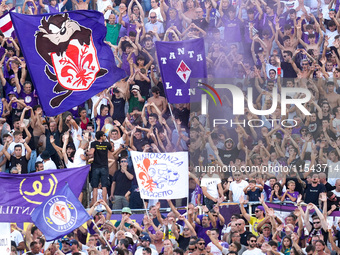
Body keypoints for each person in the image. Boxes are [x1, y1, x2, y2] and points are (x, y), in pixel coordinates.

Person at [88, 131, 114, 206]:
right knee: (104, 186)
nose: (105, 137)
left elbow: (91, 152)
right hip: (104, 167)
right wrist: (108, 140)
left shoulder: (93, 143)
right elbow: (112, 149)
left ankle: (95, 204)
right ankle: (104, 203)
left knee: (95, 187)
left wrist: (87, 153)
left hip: (95, 167)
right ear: (101, 136)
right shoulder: (106, 144)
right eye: (104, 135)